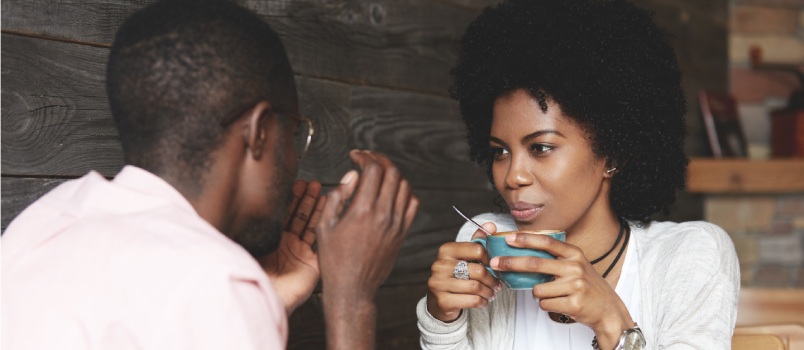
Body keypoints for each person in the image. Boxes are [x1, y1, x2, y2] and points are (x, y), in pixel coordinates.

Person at [1, 0, 419, 349]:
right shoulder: (215, 283)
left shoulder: (42, 223)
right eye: (293, 132)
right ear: (258, 133)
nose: (295, 158)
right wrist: (352, 300)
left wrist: (269, 302)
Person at [416, 0, 739, 349]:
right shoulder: (482, 247)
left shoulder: (690, 255)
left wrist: (613, 324)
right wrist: (442, 319)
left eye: (540, 148)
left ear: (612, 153)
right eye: (500, 152)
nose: (512, 176)